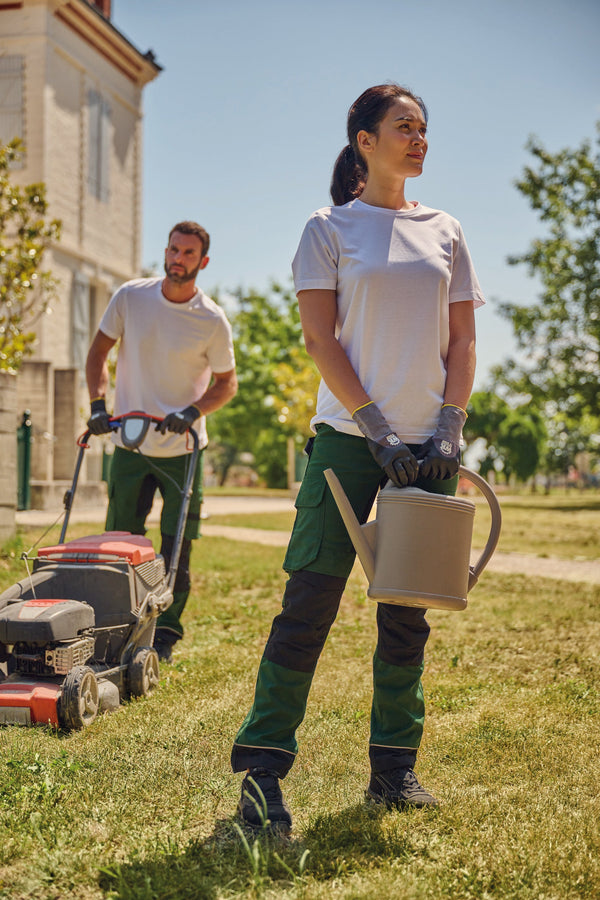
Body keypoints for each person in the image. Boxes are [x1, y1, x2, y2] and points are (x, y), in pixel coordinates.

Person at [231, 84, 484, 834]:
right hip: (348, 441)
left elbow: (463, 340)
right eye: (404, 127)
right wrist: (373, 426)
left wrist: (449, 426)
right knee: (308, 603)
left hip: (429, 449)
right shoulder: (328, 228)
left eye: (424, 128)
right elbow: (320, 338)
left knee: (407, 614)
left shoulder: (446, 230)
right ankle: (262, 775)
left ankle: (394, 771)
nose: (419, 138)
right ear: (364, 141)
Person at [85, 221, 237, 662]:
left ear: (203, 262)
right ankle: (114, 620)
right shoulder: (131, 297)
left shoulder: (211, 320)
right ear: (166, 251)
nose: (178, 259)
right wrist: (98, 406)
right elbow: (98, 353)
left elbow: (227, 384)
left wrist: (193, 411)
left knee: (176, 546)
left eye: (188, 253)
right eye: (173, 250)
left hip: (182, 449)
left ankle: (165, 634)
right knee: (119, 540)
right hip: (130, 442)